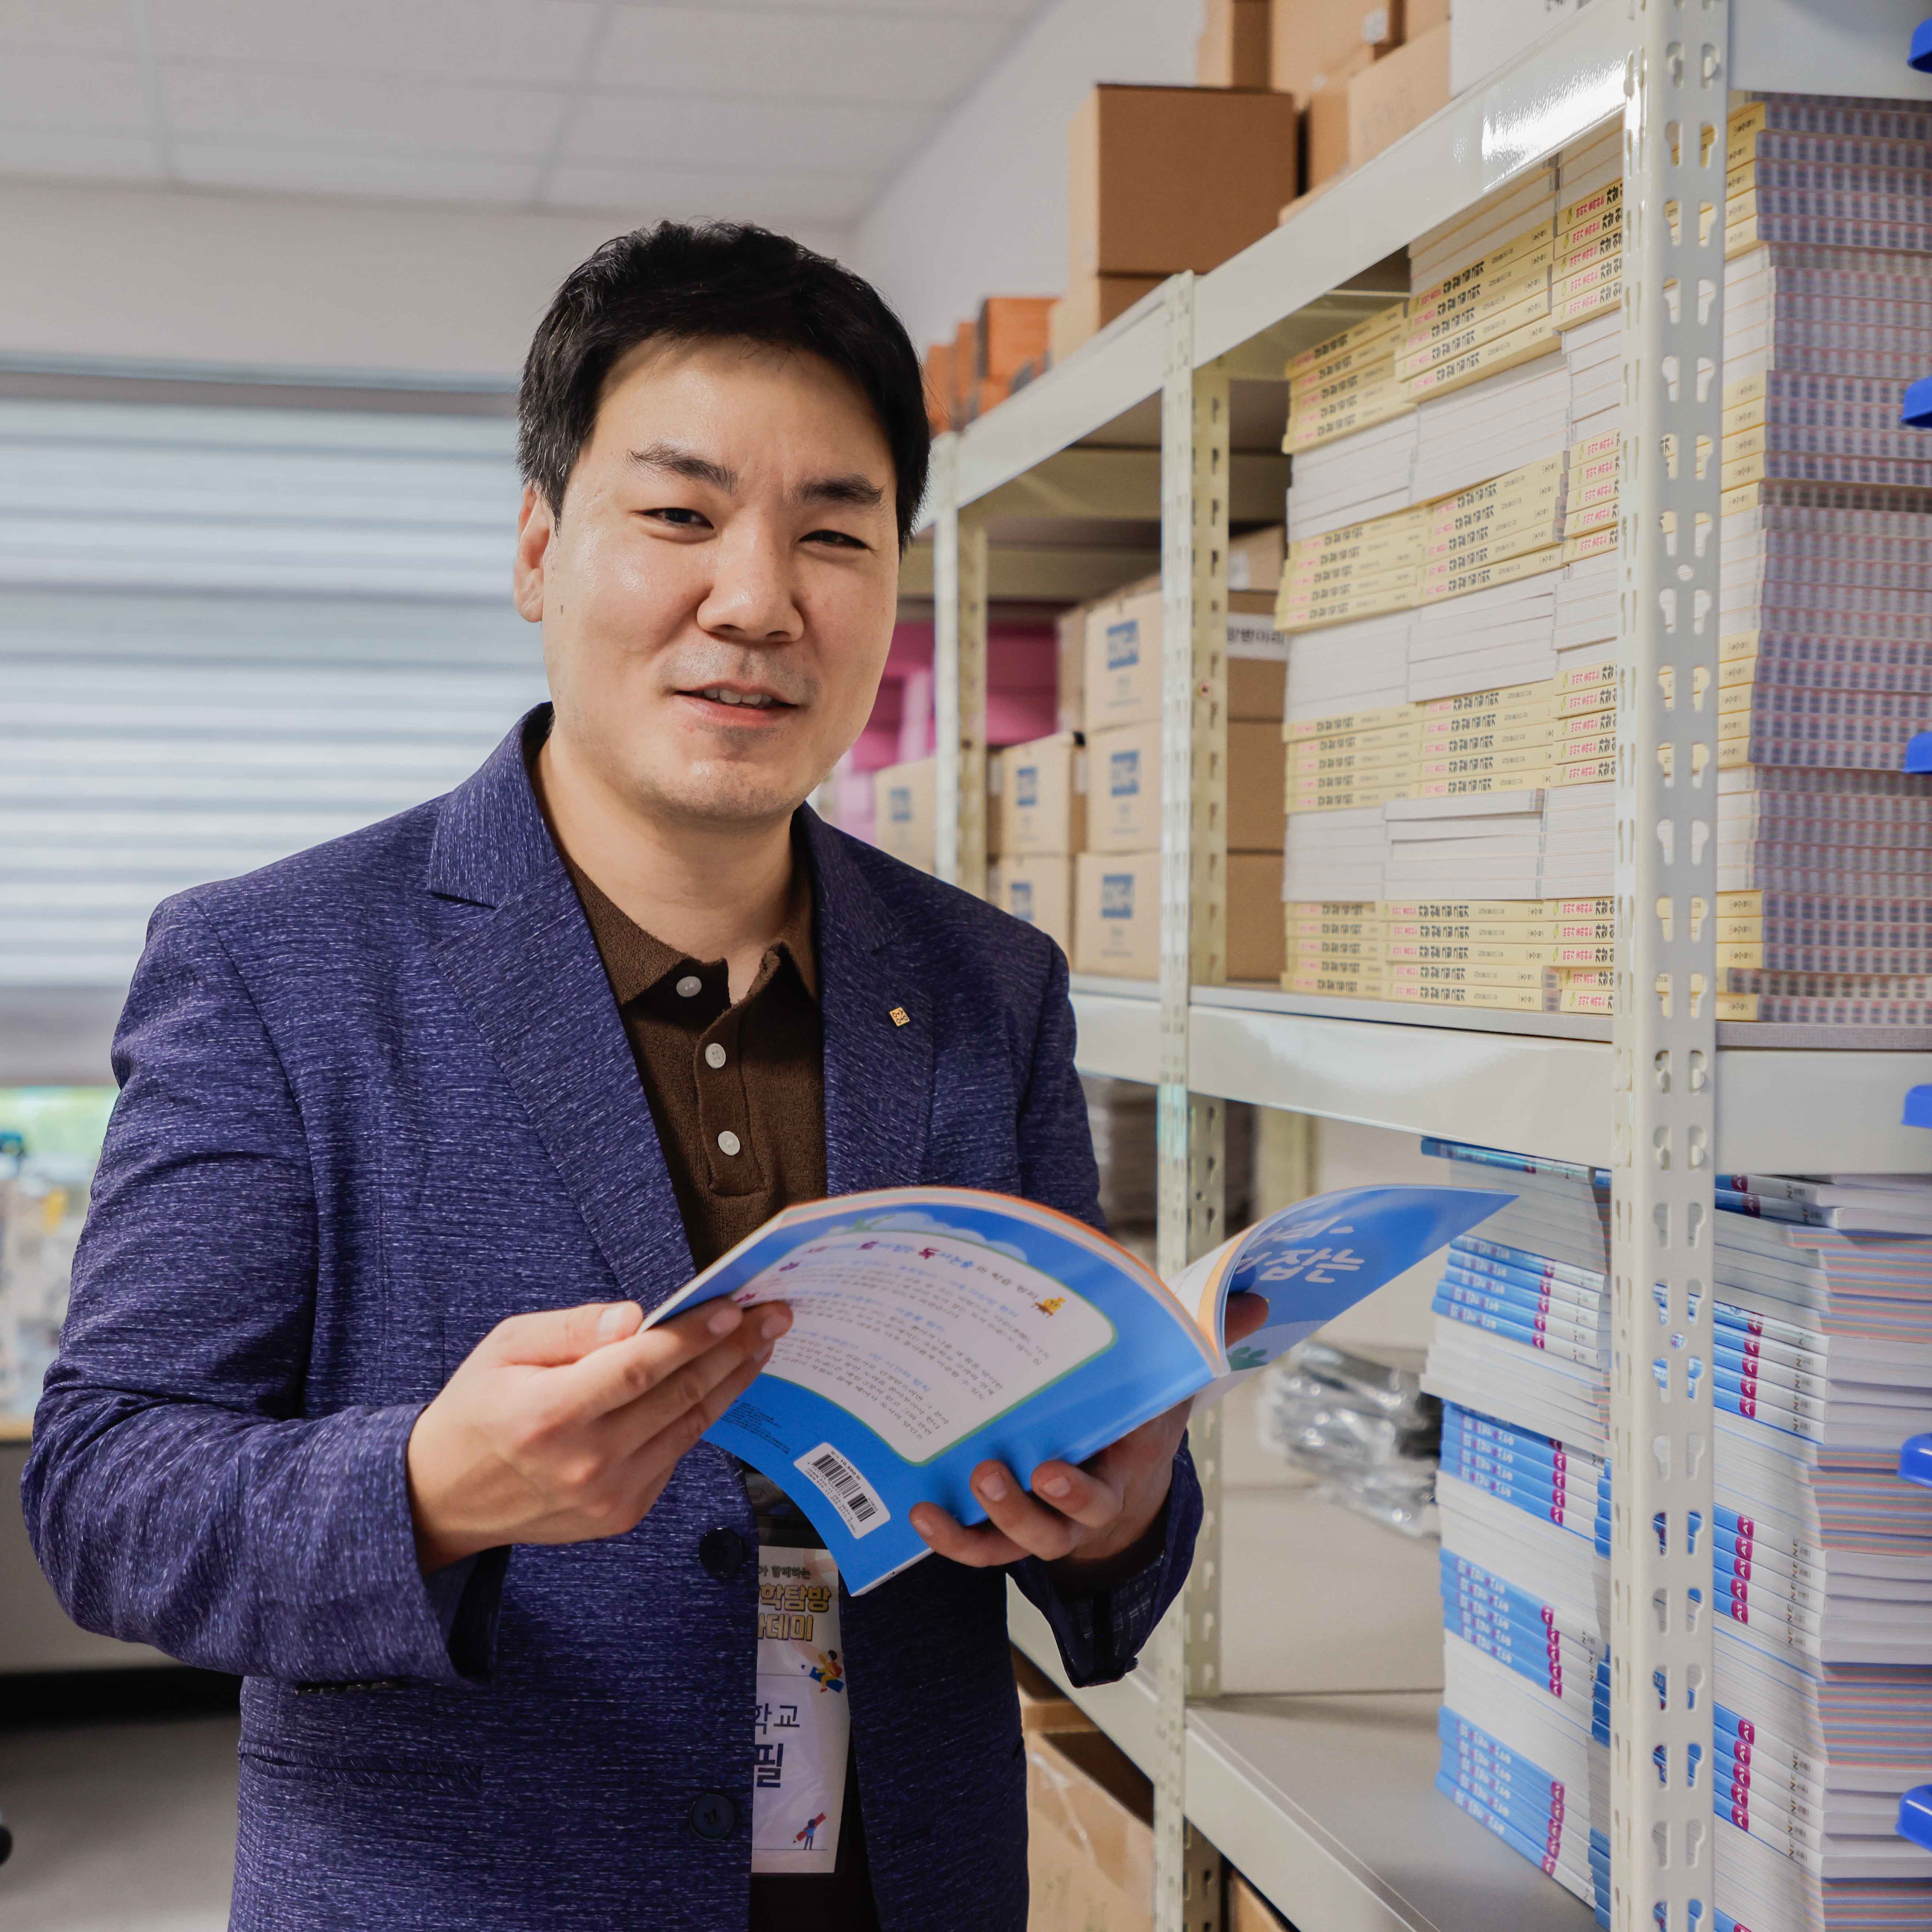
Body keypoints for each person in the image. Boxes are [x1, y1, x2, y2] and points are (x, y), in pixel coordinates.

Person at [22, 222, 1264, 1931]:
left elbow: (1079, 1464)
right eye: (678, 516)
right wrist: (432, 1487)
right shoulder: (277, 964)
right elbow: (106, 1488)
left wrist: (1113, 1518)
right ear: (539, 548)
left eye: (830, 533)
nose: (754, 598)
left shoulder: (987, 983)